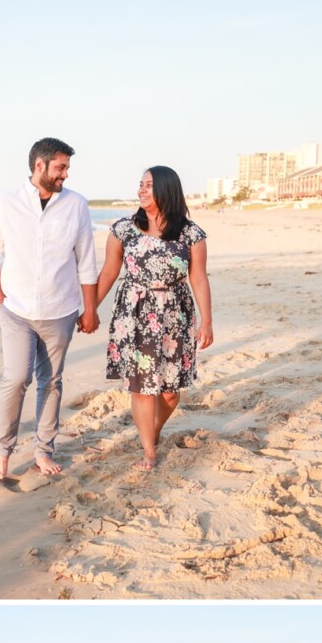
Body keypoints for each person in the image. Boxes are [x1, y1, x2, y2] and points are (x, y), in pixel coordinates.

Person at [0, 136, 99, 482]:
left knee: (51, 382)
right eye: (61, 167)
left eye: (67, 167)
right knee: (16, 378)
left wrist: (89, 309)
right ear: (40, 166)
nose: (65, 174)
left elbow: (86, 261)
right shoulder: (6, 203)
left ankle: (43, 451)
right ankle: (2, 452)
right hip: (16, 309)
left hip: (61, 310)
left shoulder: (77, 204)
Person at [92, 166, 212, 469]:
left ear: (166, 190)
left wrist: (206, 321)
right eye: (141, 185)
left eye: (149, 185)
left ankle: (153, 431)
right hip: (134, 313)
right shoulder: (124, 229)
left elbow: (198, 278)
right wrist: (89, 307)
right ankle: (148, 451)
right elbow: (108, 272)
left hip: (176, 315)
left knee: (171, 393)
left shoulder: (190, 233)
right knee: (142, 387)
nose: (142, 190)